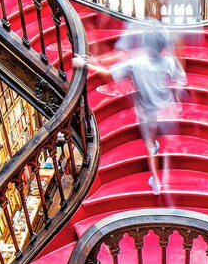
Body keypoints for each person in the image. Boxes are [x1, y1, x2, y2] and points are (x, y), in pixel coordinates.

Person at [75, 23, 186, 195]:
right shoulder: (169, 61)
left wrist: (84, 64)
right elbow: (180, 79)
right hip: (166, 108)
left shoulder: (136, 63)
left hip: (148, 112)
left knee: (150, 145)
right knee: (156, 138)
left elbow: (107, 75)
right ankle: (160, 152)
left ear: (146, 44)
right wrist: (176, 97)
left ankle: (156, 182)